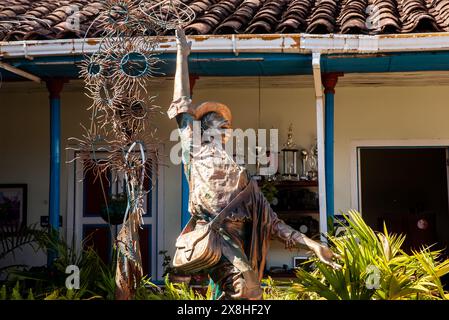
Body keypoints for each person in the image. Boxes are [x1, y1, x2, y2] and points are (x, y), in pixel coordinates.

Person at [168, 27, 341, 300]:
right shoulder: (195, 152)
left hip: (239, 242)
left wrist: (312, 245)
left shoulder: (242, 178)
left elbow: (273, 224)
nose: (225, 132)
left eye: (227, 128)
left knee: (242, 293)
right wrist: (182, 54)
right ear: (203, 130)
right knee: (248, 291)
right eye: (219, 126)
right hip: (212, 237)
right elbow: (181, 104)